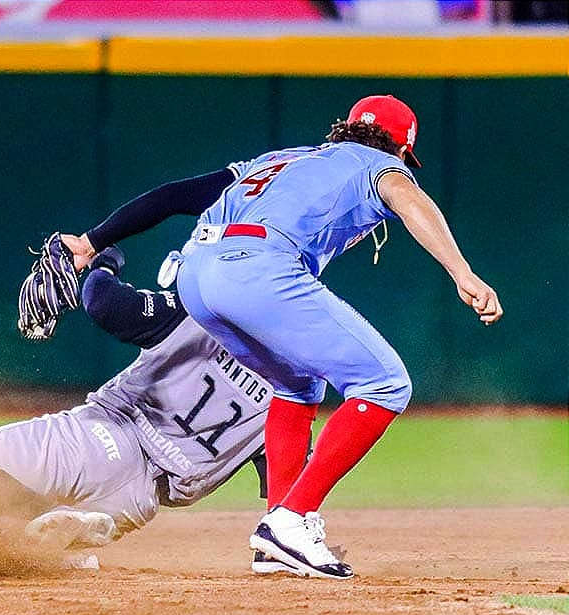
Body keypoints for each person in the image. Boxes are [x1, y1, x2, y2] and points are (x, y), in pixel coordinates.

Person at [60, 94, 504, 579]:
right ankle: (292, 520)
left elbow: (174, 195)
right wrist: (462, 272)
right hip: (257, 268)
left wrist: (92, 241)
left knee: (297, 385)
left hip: (196, 271)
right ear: (400, 149)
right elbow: (408, 197)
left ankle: (276, 533)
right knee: (386, 384)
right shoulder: (380, 165)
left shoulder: (281, 158)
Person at [0, 247, 291, 563]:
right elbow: (282, 477)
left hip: (101, 440)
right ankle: (65, 535)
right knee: (21, 549)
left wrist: (103, 262)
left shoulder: (197, 318)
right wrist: (273, 544)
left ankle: (45, 517)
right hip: (138, 503)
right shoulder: (295, 382)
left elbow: (103, 303)